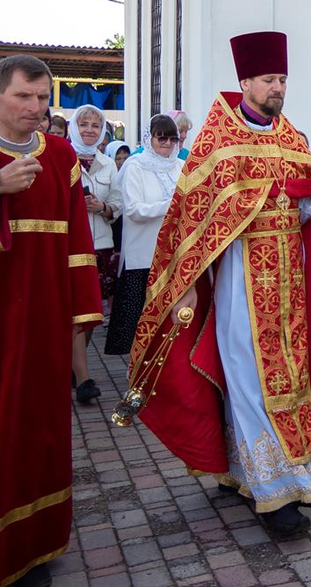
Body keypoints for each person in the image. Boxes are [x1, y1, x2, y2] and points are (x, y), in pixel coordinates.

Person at [126, 31, 311, 535]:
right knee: (251, 377)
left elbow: (308, 212)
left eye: (282, 80)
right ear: (245, 80)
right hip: (240, 287)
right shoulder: (218, 139)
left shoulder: (290, 138)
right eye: (270, 80)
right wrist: (185, 281)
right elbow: (191, 221)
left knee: (290, 378)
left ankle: (283, 473)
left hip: (289, 285)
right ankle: (274, 497)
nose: (278, 88)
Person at [0, 55, 102, 587]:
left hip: (42, 314)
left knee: (41, 424)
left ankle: (37, 540)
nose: (35, 108)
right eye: (23, 96)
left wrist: (81, 311)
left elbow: (79, 241)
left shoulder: (60, 155)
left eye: (42, 99)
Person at [105, 115, 182, 355]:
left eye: (172, 138)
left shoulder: (180, 166)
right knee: (140, 325)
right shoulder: (135, 165)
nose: (167, 144)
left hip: (174, 254)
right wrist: (171, 205)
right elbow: (134, 210)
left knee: (169, 323)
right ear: (150, 139)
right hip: (143, 256)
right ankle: (136, 376)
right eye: (162, 138)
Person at [69, 104, 122, 403]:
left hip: (100, 244)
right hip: (70, 245)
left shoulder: (108, 164)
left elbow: (118, 201)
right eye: (83, 124)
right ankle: (83, 376)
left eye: (94, 125)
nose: (89, 129)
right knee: (76, 310)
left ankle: (74, 365)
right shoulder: (61, 157)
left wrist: (101, 208)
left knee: (92, 311)